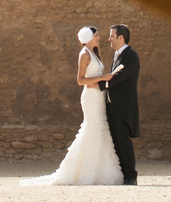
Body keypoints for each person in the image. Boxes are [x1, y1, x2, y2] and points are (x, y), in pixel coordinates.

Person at [19, 25, 123, 186]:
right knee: (92, 127)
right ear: (89, 37)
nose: (99, 38)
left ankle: (100, 171)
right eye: (96, 35)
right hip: (91, 97)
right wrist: (102, 78)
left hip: (99, 96)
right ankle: (84, 171)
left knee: (100, 128)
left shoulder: (93, 53)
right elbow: (81, 80)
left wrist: (104, 79)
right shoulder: (84, 54)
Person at [85, 23, 139, 185]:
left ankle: (131, 175)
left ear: (121, 37)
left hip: (123, 106)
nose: (109, 39)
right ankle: (123, 174)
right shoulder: (117, 55)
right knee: (116, 140)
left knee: (123, 140)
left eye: (111, 36)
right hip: (112, 105)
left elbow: (119, 78)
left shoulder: (130, 55)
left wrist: (97, 84)